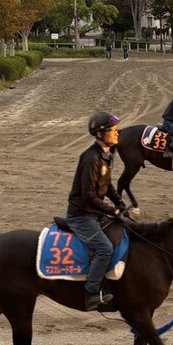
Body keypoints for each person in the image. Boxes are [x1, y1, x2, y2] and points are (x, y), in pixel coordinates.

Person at [66, 111, 126, 311]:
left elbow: (107, 185)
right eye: (113, 130)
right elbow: (88, 196)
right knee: (105, 248)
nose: (117, 133)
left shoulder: (106, 154)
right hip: (81, 215)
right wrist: (113, 211)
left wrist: (119, 202)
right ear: (100, 134)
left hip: (94, 212)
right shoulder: (91, 158)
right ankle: (91, 292)